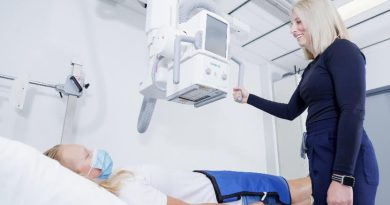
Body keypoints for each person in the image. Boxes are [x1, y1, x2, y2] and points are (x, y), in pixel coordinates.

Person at [232, 0, 379, 205]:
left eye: (299, 22)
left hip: (344, 159)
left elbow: (352, 111)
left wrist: (342, 178)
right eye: (292, 24)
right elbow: (289, 111)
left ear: (317, 20)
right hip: (319, 154)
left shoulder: (343, 49)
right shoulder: (311, 69)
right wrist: (249, 98)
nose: (293, 30)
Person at [44, 144, 312, 205]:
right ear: (80, 176)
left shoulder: (117, 181)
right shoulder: (127, 192)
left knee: (292, 191)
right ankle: (344, 177)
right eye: (87, 156)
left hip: (216, 182)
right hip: (229, 195)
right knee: (290, 188)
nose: (95, 152)